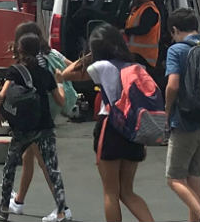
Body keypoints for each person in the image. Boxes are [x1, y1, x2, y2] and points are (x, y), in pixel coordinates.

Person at [59, 24, 158, 222]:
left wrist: (89, 54)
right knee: (127, 191)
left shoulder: (101, 67)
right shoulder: (137, 66)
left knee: (110, 192)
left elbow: (66, 74)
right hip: (133, 128)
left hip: (110, 126)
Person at [0, 23, 73, 222]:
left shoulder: (15, 71)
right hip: (44, 125)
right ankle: (61, 210)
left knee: (10, 166)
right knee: (52, 168)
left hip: (23, 128)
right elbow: (60, 100)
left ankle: (4, 206)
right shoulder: (46, 74)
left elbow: (2, 94)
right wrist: (59, 82)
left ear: (20, 50)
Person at [160, 9, 200, 222]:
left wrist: (166, 112)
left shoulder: (176, 50)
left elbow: (173, 85)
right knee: (193, 176)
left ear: (175, 30)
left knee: (174, 179)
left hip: (185, 121)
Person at [124, 0, 166, 68]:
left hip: (145, 58)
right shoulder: (136, 8)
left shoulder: (150, 10)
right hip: (135, 55)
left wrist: (125, 31)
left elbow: (144, 29)